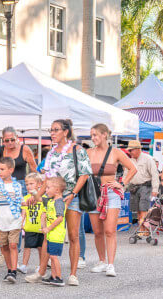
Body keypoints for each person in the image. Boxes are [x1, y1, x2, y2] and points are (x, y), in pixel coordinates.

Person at [41, 118, 90, 286]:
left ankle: (73, 274)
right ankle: (52, 272)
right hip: (53, 198)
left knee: (73, 235)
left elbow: (84, 174)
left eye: (55, 130)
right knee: (50, 233)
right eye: (51, 130)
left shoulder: (78, 150)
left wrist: (73, 193)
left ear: (66, 132)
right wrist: (38, 196)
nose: (52, 133)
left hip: (72, 197)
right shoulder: (51, 152)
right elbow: (47, 177)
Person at [85, 124, 136, 276]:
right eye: (92, 135)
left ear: (105, 135)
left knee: (109, 230)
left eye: (96, 135)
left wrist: (121, 183)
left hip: (111, 193)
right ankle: (101, 261)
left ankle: (111, 264)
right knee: (98, 231)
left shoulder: (115, 152)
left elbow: (132, 169)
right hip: (93, 193)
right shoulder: (88, 152)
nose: (93, 138)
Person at [0, 157, 24, 284]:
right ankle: (9, 269)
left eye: (2, 169)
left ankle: (13, 270)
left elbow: (21, 203)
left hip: (14, 221)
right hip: (0, 221)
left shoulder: (17, 185)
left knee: (13, 245)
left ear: (11, 170)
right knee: (4, 247)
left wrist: (23, 216)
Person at [125, 140, 160, 236]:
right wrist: (122, 187)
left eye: (131, 150)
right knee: (138, 210)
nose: (129, 152)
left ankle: (146, 231)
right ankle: (142, 230)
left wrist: (155, 189)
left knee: (144, 208)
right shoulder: (129, 160)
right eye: (129, 150)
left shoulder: (148, 159)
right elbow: (125, 176)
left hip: (145, 186)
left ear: (138, 150)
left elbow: (155, 174)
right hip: (133, 187)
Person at [38, 177, 68, 287]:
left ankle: (59, 278)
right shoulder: (52, 201)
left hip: (57, 234)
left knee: (54, 257)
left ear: (57, 190)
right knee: (51, 256)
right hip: (51, 234)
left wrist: (48, 228)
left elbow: (60, 218)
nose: (46, 190)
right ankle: (53, 276)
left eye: (48, 188)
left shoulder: (59, 202)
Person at [20, 173, 45, 283]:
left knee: (41, 248)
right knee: (27, 247)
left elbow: (45, 211)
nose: (28, 186)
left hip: (40, 228)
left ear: (39, 185)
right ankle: (24, 265)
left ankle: (41, 265)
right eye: (27, 184)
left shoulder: (42, 198)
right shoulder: (25, 198)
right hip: (29, 227)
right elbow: (23, 212)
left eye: (31, 184)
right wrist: (21, 222)